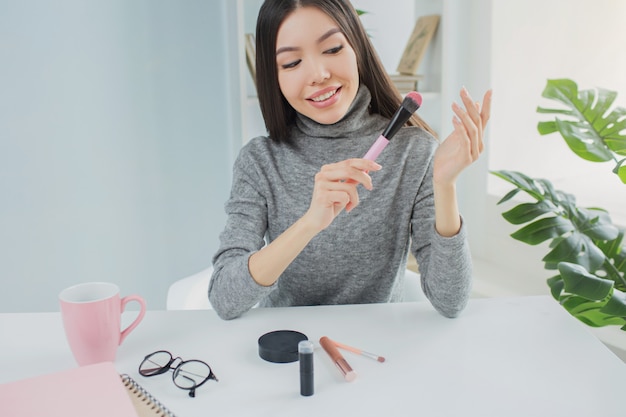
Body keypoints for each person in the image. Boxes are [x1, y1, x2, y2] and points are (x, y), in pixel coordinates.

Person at [209, 0, 492, 320]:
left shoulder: (413, 152)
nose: (318, 74)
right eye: (291, 63)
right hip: (288, 350)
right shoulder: (260, 161)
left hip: (377, 350)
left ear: (356, 48)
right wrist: (309, 223)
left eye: (331, 49)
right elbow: (224, 297)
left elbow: (451, 300)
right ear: (273, 76)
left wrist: (445, 185)